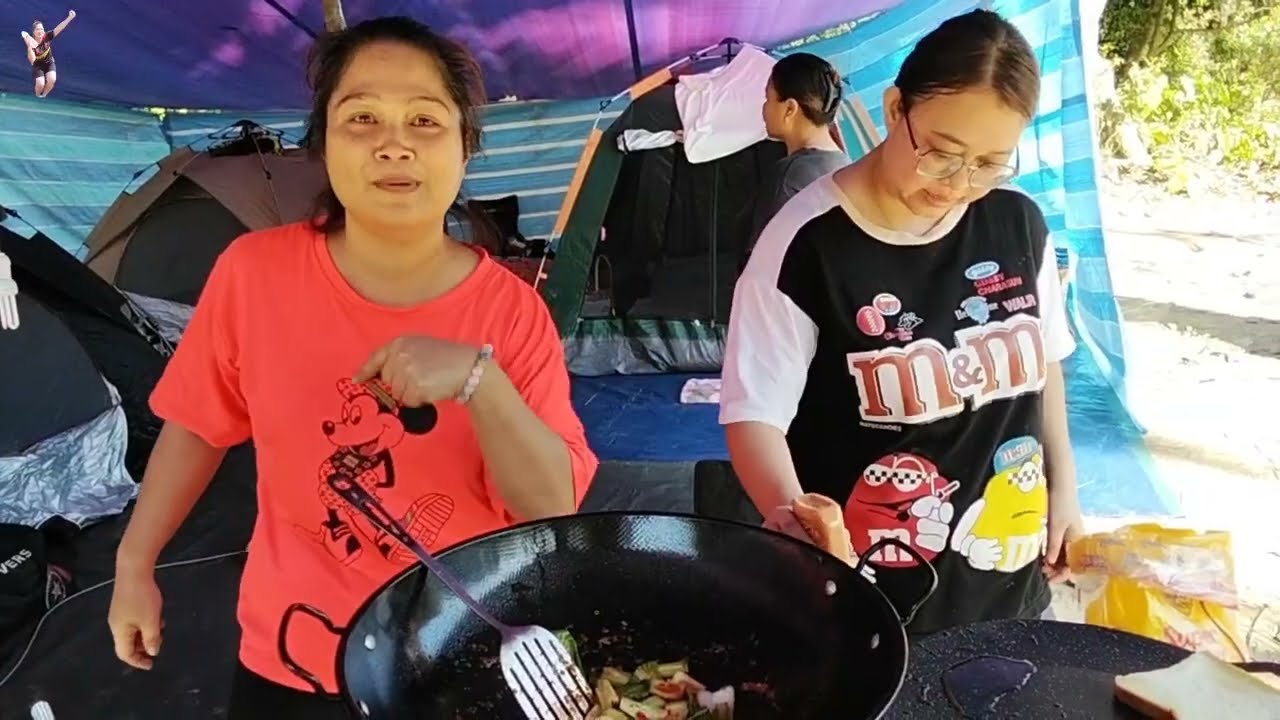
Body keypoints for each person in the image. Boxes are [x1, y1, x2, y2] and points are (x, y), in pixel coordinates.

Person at [106, 17, 598, 719]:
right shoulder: (254, 274)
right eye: (361, 116)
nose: (393, 142)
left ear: (465, 148)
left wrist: (479, 383)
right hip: (293, 652)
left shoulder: (511, 313)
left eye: (424, 120)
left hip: (460, 651)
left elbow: (550, 507)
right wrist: (133, 563)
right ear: (324, 144)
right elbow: (198, 424)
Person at [719, 9, 1084, 634]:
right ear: (894, 110)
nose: (961, 184)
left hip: (1006, 573)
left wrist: (1066, 491)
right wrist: (798, 526)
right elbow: (754, 416)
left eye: (991, 163)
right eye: (942, 155)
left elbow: (1044, 363)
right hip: (868, 593)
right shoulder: (807, 242)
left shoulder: (1017, 224)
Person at [744, 52, 849, 261]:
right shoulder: (844, 164)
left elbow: (761, 264)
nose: (764, 108)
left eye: (768, 98)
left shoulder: (787, 178)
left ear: (790, 108)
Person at [21, 11, 75, 98]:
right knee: (40, 84)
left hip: (49, 62)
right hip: (37, 65)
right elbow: (32, 59)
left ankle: (44, 95)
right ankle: (37, 95)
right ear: (34, 32)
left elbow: (60, 27)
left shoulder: (47, 36)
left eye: (42, 29)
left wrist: (70, 18)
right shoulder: (31, 44)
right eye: (38, 29)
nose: (40, 31)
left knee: (52, 79)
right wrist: (30, 46)